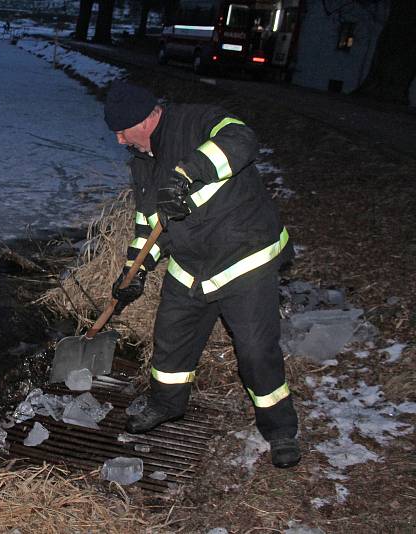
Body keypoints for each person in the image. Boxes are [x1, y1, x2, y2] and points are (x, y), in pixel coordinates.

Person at [103, 80, 300, 468]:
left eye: (123, 131)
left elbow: (241, 138)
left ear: (144, 119)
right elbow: (149, 226)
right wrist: (134, 274)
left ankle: (280, 429)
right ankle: (166, 404)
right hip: (191, 264)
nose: (121, 141)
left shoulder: (198, 121)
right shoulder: (142, 163)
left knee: (256, 351)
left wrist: (186, 174)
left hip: (243, 258)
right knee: (171, 341)